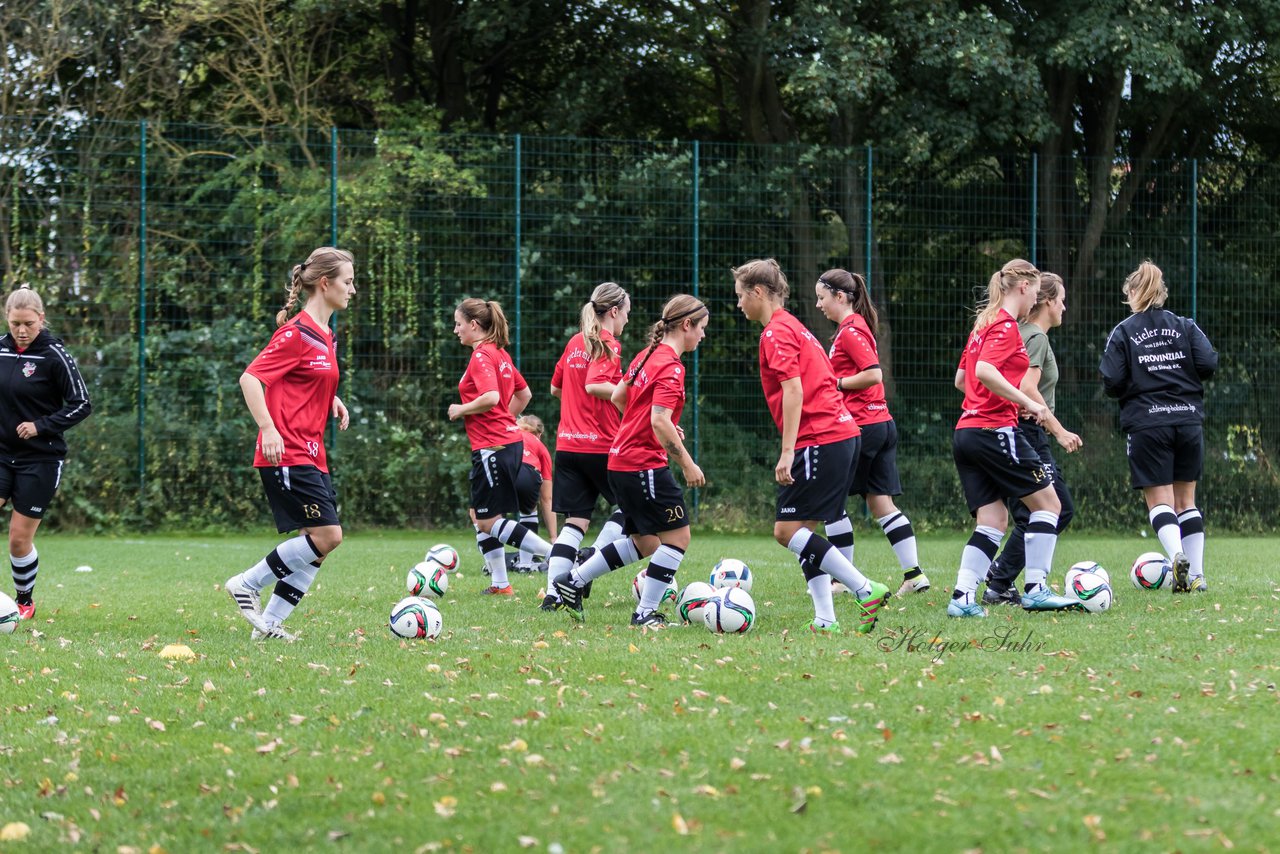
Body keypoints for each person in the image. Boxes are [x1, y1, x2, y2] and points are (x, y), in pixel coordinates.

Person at [734, 259, 891, 635]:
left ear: (758, 293)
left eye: (741, 296)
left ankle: (864, 589)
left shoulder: (775, 332)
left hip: (820, 438)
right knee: (803, 530)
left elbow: (794, 389)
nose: (738, 304)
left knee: (786, 532)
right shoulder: (796, 327)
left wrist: (788, 450)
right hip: (839, 436)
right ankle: (825, 619)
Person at [551, 294, 708, 627]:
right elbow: (659, 421)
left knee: (646, 540)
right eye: (702, 328)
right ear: (686, 325)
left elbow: (622, 397)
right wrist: (688, 464)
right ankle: (645, 613)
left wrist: (642, 422)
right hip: (643, 464)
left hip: (619, 459)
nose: (702, 336)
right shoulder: (671, 366)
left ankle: (572, 580)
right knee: (678, 538)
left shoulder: (643, 356)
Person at [225, 247, 355, 641]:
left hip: (313, 452)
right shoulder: (295, 333)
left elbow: (303, 379)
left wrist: (330, 398)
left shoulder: (326, 334)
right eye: (348, 282)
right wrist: (268, 428)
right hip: (288, 451)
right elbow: (251, 379)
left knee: (316, 544)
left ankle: (270, 625)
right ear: (325, 283)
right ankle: (246, 583)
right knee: (328, 537)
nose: (353, 289)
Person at [949, 259, 1080, 617]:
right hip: (995, 431)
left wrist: (988, 395)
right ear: (1023, 287)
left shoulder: (982, 326)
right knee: (1050, 506)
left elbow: (963, 380)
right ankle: (1036, 589)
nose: (1035, 299)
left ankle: (962, 599)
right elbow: (984, 371)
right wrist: (1025, 403)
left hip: (966, 432)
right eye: (1036, 292)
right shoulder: (1005, 326)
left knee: (993, 520)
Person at [1100, 260, 1217, 592]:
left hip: (1148, 423)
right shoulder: (1184, 325)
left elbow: (1110, 379)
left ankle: (1177, 556)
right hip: (1187, 420)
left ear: (1133, 293)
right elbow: (1208, 362)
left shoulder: (1123, 331)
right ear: (1162, 293)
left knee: (1161, 503)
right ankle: (1196, 576)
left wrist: (1136, 388)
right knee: (1187, 502)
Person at [815, 268, 929, 599]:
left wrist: (834, 383)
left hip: (861, 426)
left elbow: (873, 375)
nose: (819, 304)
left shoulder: (851, 330)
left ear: (840, 297)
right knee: (881, 503)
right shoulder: (853, 328)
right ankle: (914, 574)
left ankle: (840, 582)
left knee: (831, 503)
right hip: (880, 425)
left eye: (822, 298)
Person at [984, 272, 1083, 605]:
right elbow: (1027, 388)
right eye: (1062, 300)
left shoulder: (1018, 331)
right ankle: (1000, 578)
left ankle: (1000, 579)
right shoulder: (1036, 337)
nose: (1064, 307)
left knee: (1036, 511)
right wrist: (1059, 430)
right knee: (1055, 509)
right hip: (1028, 432)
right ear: (1048, 302)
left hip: (1010, 430)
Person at [448, 298, 552, 595]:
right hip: (505, 443)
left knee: (487, 520)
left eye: (458, 324)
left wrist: (461, 409)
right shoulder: (500, 354)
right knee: (480, 516)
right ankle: (500, 584)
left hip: (493, 446)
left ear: (474, 325)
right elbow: (525, 394)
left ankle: (556, 557)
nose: (456, 330)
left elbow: (492, 397)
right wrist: (505, 418)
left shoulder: (482, 356)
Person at [0, 286, 92, 620]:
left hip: (40, 458)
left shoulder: (55, 355)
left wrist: (41, 425)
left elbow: (82, 404)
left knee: (18, 539)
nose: (21, 331)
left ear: (41, 318)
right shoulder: (1, 350)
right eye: (14, 324)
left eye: (28, 323)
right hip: (1, 453)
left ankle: (24, 601)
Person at [541, 283, 631, 611]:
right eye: (626, 314)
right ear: (614, 311)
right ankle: (591, 560)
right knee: (630, 509)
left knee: (575, 522)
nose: (626, 323)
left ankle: (553, 595)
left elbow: (555, 389)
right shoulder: (607, 343)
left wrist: (576, 405)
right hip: (602, 447)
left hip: (567, 445)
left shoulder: (574, 342)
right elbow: (595, 384)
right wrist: (627, 397)